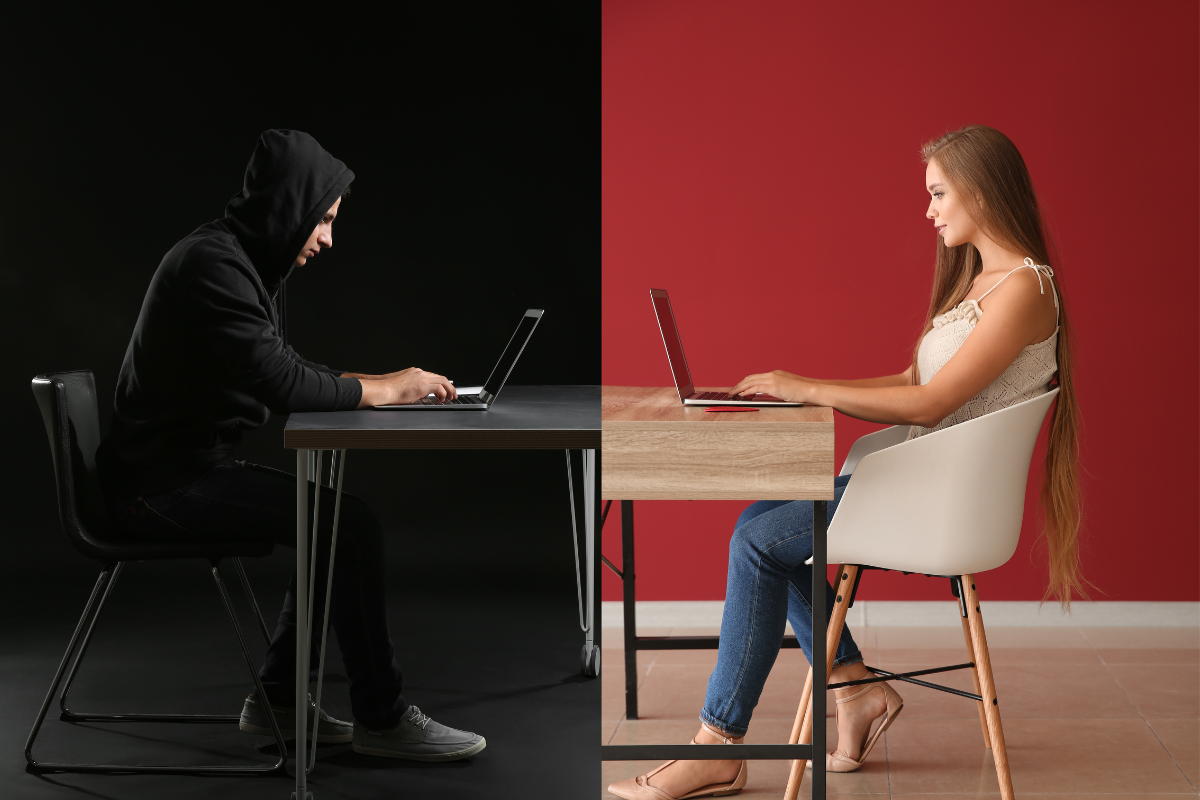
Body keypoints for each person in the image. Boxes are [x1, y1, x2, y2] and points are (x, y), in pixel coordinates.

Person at [608, 124, 1083, 799]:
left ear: (981, 191)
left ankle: (718, 746)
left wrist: (807, 390)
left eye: (939, 193)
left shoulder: (1026, 289)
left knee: (758, 539)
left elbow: (930, 403)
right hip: (915, 484)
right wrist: (798, 385)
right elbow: (908, 379)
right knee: (764, 525)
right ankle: (855, 688)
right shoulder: (982, 283)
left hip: (939, 501)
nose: (929, 210)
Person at [96, 129, 485, 762]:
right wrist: (390, 388)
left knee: (329, 522)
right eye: (324, 219)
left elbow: (286, 367)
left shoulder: (233, 261)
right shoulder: (213, 267)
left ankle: (277, 698)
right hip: (157, 490)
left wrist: (390, 385)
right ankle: (382, 721)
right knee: (350, 528)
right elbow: (284, 384)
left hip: (176, 473)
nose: (327, 238)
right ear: (289, 204)